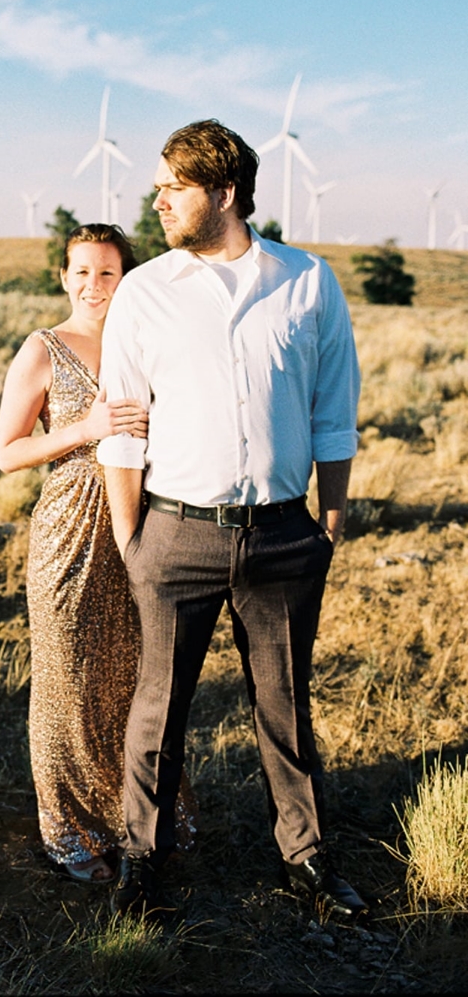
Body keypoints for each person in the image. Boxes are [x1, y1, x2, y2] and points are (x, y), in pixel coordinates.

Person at [97, 119, 366, 923]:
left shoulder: (308, 282)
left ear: (224, 192)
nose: (157, 200)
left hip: (285, 535)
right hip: (175, 532)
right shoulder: (146, 290)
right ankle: (142, 863)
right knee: (159, 706)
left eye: (172, 187)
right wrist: (129, 537)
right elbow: (124, 422)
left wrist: (333, 516)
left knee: (285, 706)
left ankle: (308, 861)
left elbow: (334, 410)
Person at [0, 224, 193, 885]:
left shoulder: (147, 345)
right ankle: (70, 831)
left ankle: (136, 818)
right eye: (81, 272)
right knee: (68, 679)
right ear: (63, 277)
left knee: (139, 676)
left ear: (125, 278)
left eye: (107, 273)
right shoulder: (43, 349)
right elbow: (7, 452)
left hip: (145, 523)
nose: (93, 285)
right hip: (72, 529)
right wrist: (86, 429)